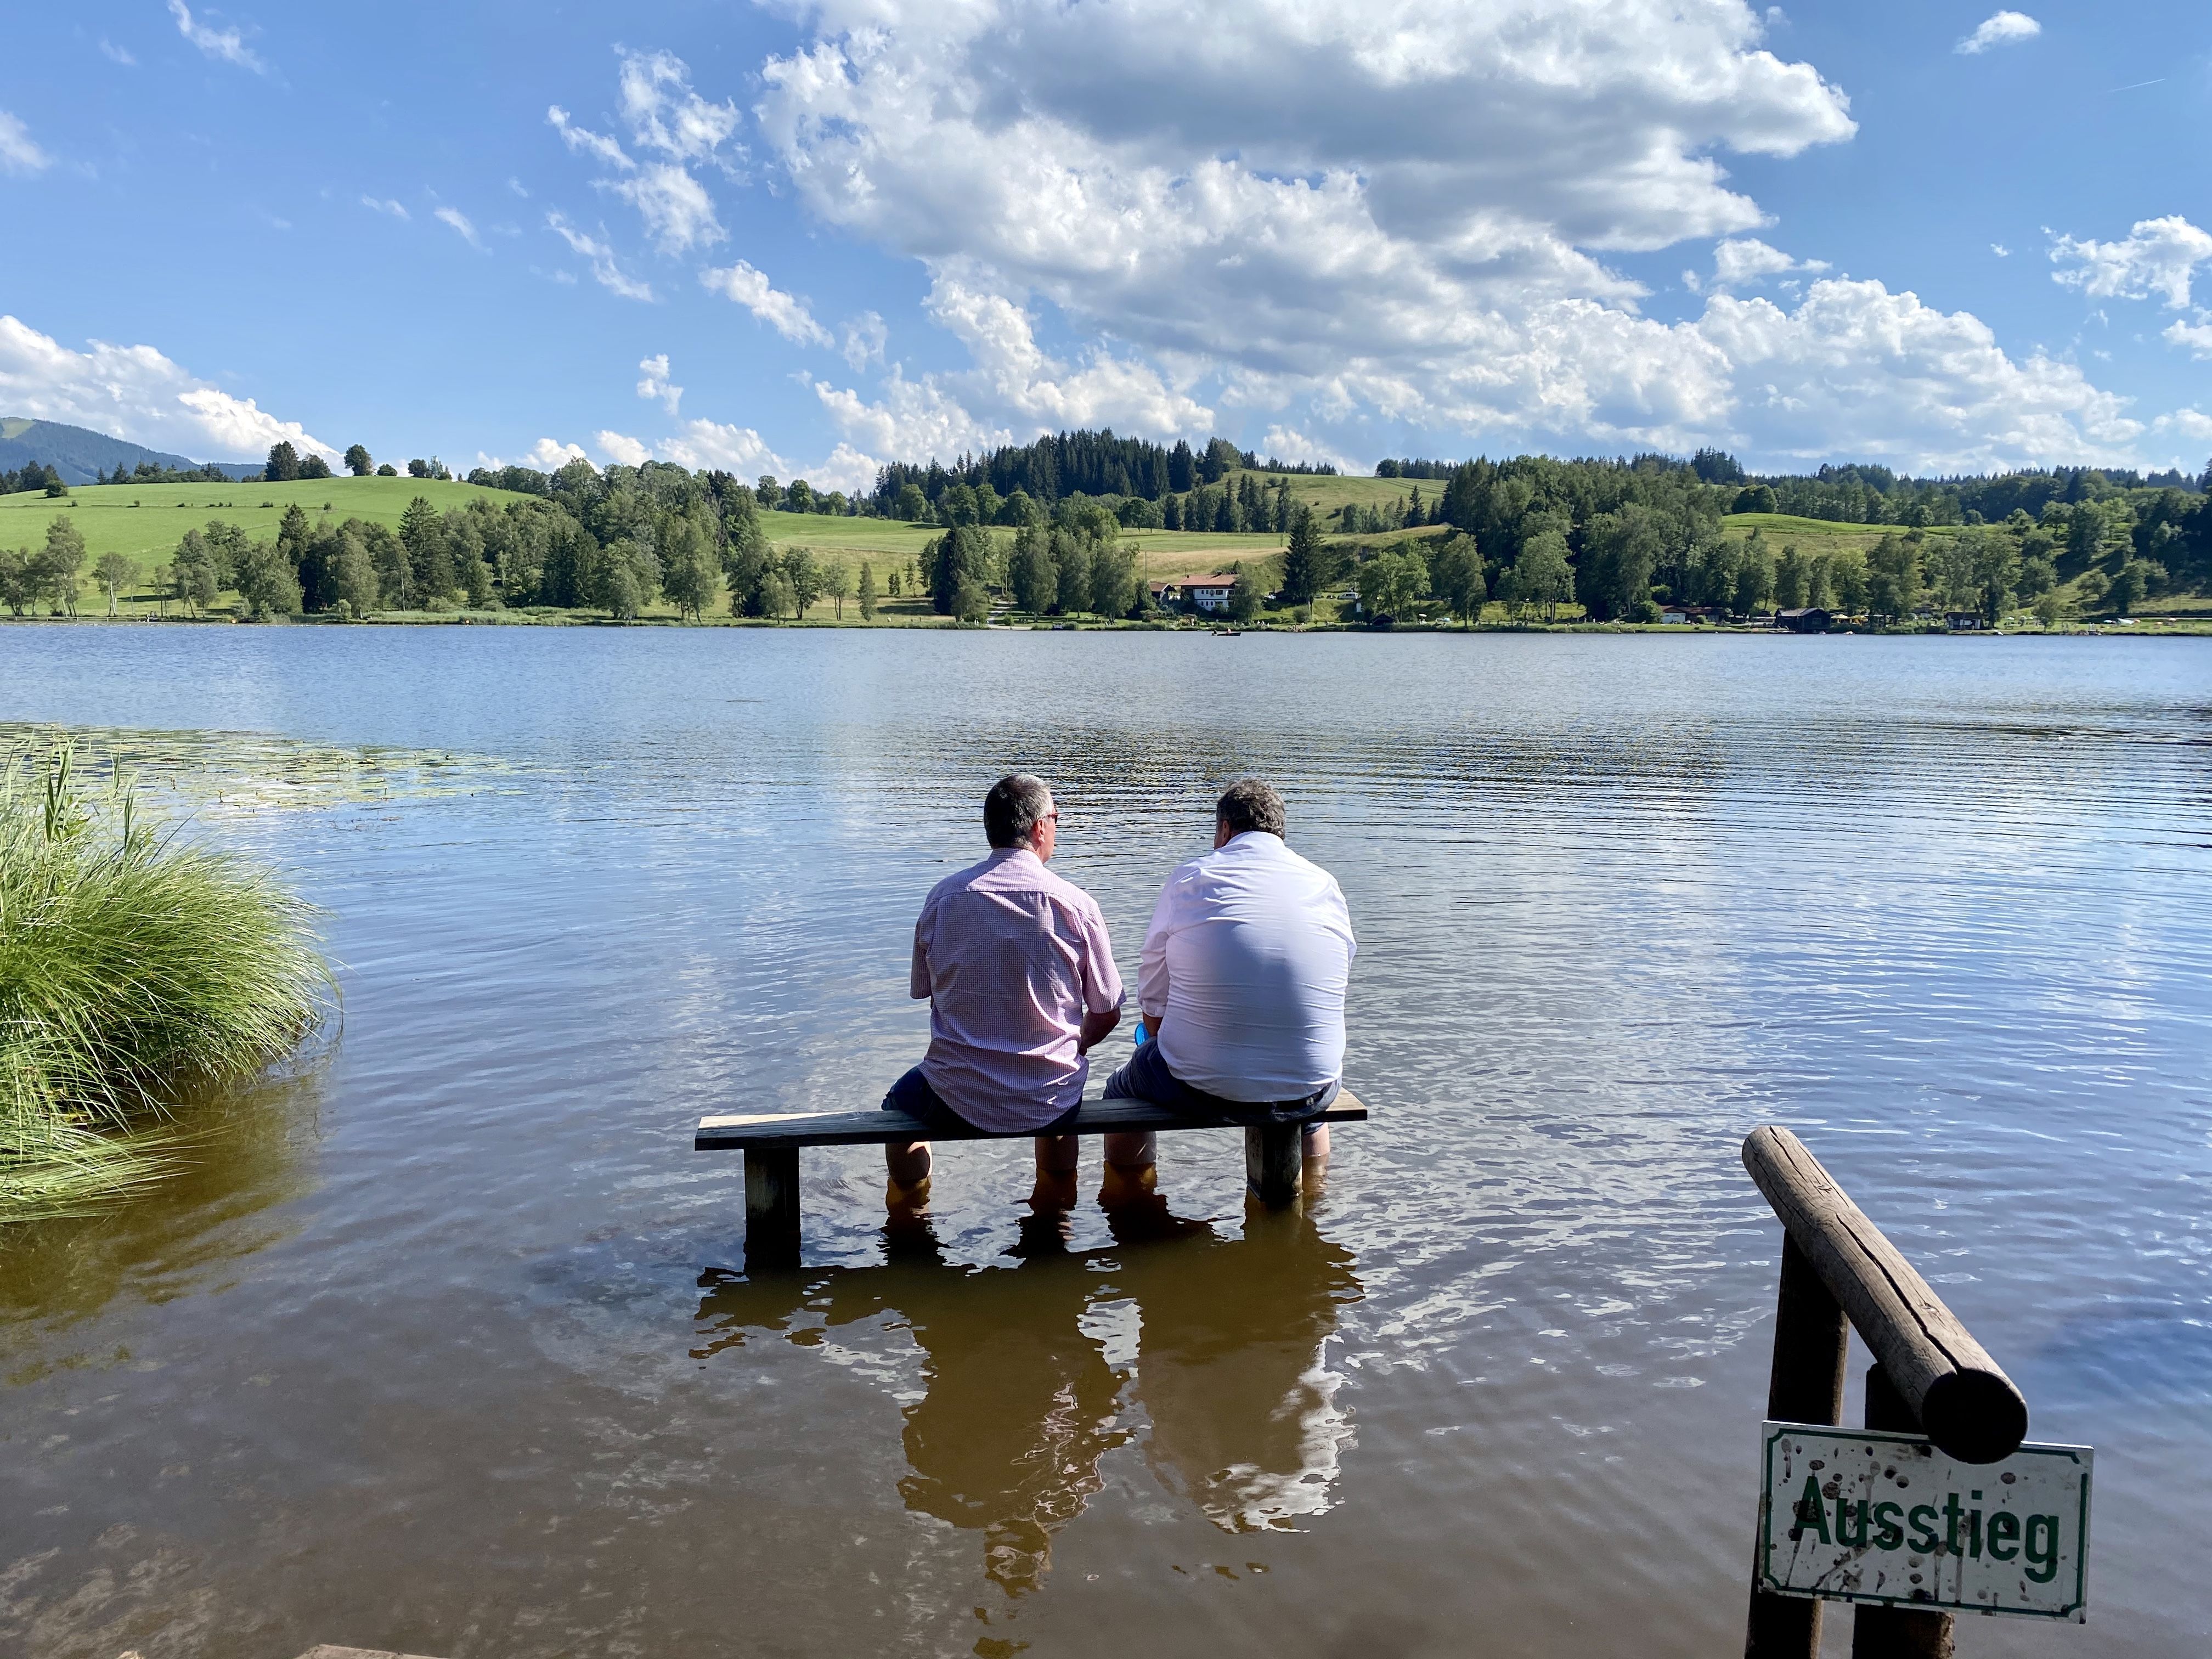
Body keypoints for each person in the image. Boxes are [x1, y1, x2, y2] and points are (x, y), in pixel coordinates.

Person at [885, 773, 1124, 1205]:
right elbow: (1107, 1011)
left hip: (955, 1094)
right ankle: (1056, 1212)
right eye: (1056, 817)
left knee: (897, 1108)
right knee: (1060, 1107)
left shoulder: (944, 898)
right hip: (1050, 1094)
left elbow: (924, 991)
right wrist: (1077, 1044)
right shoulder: (1078, 905)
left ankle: (910, 1208)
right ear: (1038, 828)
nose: (1057, 825)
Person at [1102, 777, 1353, 1176]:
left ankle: (1131, 1201)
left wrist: (1157, 1038)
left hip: (1204, 1085)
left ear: (1225, 829)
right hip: (1311, 1082)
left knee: (1122, 1090)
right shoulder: (1325, 885)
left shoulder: (1191, 878)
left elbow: (1152, 985)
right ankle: (1311, 1198)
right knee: (1309, 1103)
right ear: (1279, 830)